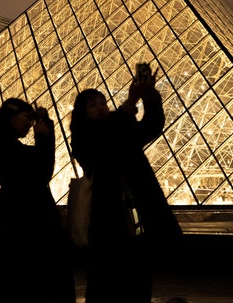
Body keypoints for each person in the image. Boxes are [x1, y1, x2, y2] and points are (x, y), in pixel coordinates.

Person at [69, 65, 181, 303]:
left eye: (103, 102)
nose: (101, 107)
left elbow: (151, 127)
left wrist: (150, 97)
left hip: (136, 215)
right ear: (82, 113)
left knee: (139, 281)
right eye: (93, 105)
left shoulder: (120, 127)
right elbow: (104, 143)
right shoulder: (83, 137)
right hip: (106, 221)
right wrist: (131, 101)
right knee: (105, 284)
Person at [0, 98, 75, 302]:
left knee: (16, 277)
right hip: (28, 216)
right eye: (28, 117)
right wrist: (44, 137)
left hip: (17, 211)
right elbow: (42, 172)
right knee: (36, 278)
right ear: (12, 117)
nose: (30, 123)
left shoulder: (2, 143)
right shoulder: (9, 147)